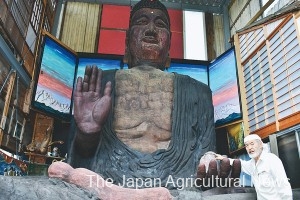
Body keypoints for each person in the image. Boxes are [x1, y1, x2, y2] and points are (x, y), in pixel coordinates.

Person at [49, 0, 238, 195]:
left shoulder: (198, 91)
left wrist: (209, 166)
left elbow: (204, 159)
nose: (150, 29)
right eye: (142, 21)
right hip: (105, 184)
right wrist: (87, 134)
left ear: (169, 43)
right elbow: (79, 159)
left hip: (177, 187)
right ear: (127, 40)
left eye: (160, 24)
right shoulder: (101, 84)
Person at [215, 134, 293, 200]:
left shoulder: (271, 160)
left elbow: (283, 185)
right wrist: (224, 159)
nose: (249, 148)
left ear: (260, 145)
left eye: (252, 144)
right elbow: (240, 163)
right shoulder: (251, 164)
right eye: (247, 145)